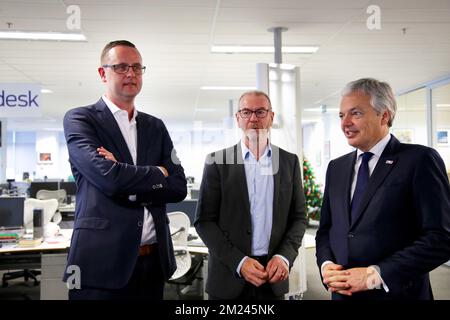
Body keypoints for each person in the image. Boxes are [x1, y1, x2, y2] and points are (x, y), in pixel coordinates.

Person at [63, 40, 187, 300]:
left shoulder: (156, 126)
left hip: (153, 263)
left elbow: (178, 187)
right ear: (102, 73)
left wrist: (123, 170)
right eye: (120, 67)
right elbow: (111, 180)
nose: (131, 73)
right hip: (100, 265)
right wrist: (158, 173)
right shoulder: (81, 120)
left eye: (137, 67)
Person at [316, 78, 450, 300]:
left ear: (384, 116)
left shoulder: (420, 160)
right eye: (342, 115)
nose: (345, 123)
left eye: (355, 113)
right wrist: (326, 265)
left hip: (398, 294)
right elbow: (326, 229)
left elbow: (441, 237)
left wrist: (376, 274)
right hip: (342, 294)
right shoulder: (336, 167)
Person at [195, 90, 307, 300]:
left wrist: (284, 257)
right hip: (229, 276)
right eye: (246, 112)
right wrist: (239, 261)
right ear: (238, 119)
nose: (253, 118)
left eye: (260, 112)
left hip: (272, 277)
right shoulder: (217, 162)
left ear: (271, 117)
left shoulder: (289, 162)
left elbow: (299, 218)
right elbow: (204, 222)